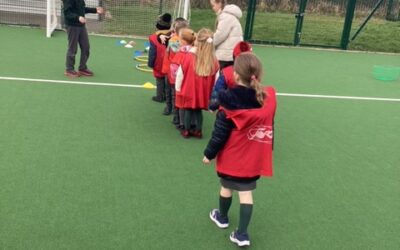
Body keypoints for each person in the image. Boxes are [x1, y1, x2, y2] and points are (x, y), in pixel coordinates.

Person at [203, 53, 277, 247]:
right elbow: (270, 128)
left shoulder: (227, 104)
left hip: (231, 159)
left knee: (226, 187)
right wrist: (270, 148)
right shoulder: (265, 101)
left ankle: (222, 217)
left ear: (235, 75)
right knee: (246, 194)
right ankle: (242, 234)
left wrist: (208, 154)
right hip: (252, 159)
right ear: (258, 76)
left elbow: (219, 134)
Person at [175, 28, 219, 138]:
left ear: (197, 41)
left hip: (188, 90)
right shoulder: (214, 61)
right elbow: (217, 79)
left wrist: (178, 88)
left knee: (188, 110)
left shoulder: (189, 57)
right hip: (203, 92)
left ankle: (186, 130)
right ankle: (198, 131)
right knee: (198, 111)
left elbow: (180, 73)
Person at [63, 0, 104, 78]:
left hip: (81, 26)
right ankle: (69, 69)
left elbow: (82, 9)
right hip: (72, 26)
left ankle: (82, 68)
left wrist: (95, 10)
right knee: (73, 48)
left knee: (86, 47)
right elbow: (67, 13)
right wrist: (78, 17)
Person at [209, 41, 252, 111]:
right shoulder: (254, 73)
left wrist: (212, 106)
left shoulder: (226, 72)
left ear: (234, 56)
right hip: (247, 112)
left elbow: (218, 92)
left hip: (228, 111)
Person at [161, 18, 189, 116]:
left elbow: (177, 50)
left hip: (173, 70)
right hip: (172, 70)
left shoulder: (177, 40)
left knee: (172, 92)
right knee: (171, 91)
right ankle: (171, 109)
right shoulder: (175, 40)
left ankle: (172, 109)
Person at [209, 0, 243, 69]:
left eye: (213, 5)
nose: (212, 8)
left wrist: (209, 42)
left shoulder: (225, 16)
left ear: (219, 3)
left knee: (221, 75)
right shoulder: (229, 14)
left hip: (226, 55)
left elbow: (220, 35)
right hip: (232, 52)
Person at [148, 13, 172, 102]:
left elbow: (152, 52)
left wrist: (150, 63)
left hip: (158, 62)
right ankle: (167, 96)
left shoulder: (153, 37)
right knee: (168, 79)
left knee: (159, 79)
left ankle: (159, 96)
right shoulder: (172, 35)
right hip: (169, 61)